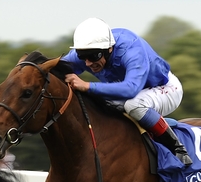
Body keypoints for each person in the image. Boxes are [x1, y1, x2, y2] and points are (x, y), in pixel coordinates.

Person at [61, 17, 193, 166]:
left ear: (109, 49)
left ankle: (178, 149)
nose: (88, 63)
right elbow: (55, 69)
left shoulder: (131, 49)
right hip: (130, 92)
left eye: (93, 56)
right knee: (95, 102)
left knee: (134, 105)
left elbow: (131, 89)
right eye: (82, 57)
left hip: (164, 88)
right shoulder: (91, 52)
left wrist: (87, 86)